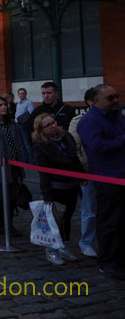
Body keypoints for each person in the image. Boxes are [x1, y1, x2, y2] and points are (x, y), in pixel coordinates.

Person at [77, 84, 125, 280]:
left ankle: (120, 259)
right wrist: (123, 140)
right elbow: (98, 146)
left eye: (116, 96)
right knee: (109, 222)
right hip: (108, 178)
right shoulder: (89, 121)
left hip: (121, 176)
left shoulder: (118, 117)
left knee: (122, 221)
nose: (115, 100)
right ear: (95, 102)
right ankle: (107, 262)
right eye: (110, 98)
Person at [33, 113, 85, 265]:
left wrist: (81, 175)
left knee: (67, 217)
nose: (53, 125)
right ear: (41, 130)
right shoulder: (40, 146)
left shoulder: (66, 136)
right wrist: (46, 194)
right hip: (56, 187)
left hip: (71, 185)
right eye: (48, 125)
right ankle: (51, 249)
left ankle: (62, 245)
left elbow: (75, 157)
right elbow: (43, 173)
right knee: (54, 220)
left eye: (53, 122)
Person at [0, 96, 27, 237]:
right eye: (0, 105)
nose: (4, 107)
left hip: (14, 165)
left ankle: (9, 223)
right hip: (0, 167)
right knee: (1, 196)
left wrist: (21, 165)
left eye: (5, 105)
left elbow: (18, 145)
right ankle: (2, 225)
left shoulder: (12, 124)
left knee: (13, 196)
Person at [68, 88, 98, 258]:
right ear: (90, 102)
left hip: (109, 171)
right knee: (89, 209)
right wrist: (82, 170)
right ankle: (86, 242)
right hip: (89, 171)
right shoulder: (79, 121)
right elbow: (75, 147)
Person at [15, 87, 36, 163]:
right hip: (18, 125)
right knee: (21, 144)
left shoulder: (29, 102)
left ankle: (31, 161)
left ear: (26, 94)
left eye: (23, 93)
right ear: (18, 95)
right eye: (20, 93)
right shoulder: (18, 104)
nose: (22, 95)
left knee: (27, 144)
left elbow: (31, 114)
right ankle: (25, 161)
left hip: (24, 126)